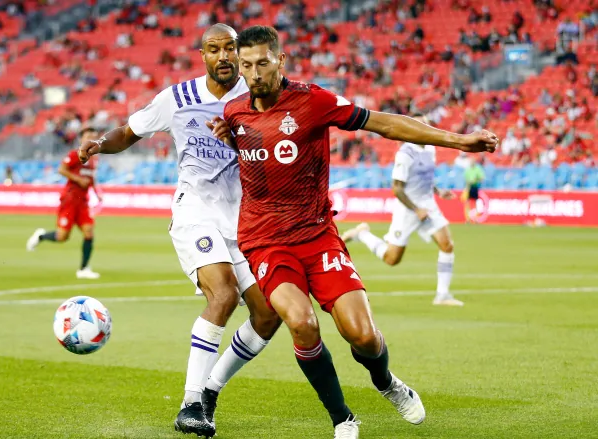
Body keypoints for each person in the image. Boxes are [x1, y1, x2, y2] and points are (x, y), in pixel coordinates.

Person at [214, 26, 497, 438]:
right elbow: (247, 150)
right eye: (246, 66)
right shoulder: (234, 112)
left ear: (281, 60)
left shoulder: (314, 101)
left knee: (362, 336)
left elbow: (383, 124)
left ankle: (386, 382)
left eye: (262, 63)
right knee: (301, 323)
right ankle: (342, 418)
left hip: (317, 235)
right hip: (266, 241)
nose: (254, 73)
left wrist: (457, 141)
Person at [78, 24, 281, 438]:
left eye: (230, 49)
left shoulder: (258, 98)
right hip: (196, 212)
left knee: (268, 315)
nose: (223, 56)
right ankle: (189, 404)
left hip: (245, 221)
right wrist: (100, 143)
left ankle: (210, 390)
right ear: (202, 55)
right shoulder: (177, 99)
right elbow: (129, 132)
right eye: (213, 49)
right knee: (222, 294)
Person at [341, 116, 464, 307]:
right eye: (418, 123)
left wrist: (438, 190)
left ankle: (442, 295)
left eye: (425, 123)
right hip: (408, 209)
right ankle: (363, 234)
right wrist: (416, 209)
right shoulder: (405, 154)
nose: (423, 126)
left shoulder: (430, 147)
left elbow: (425, 177)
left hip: (428, 205)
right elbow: (397, 188)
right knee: (392, 258)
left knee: (447, 245)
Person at [27, 127, 103, 279]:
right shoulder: (75, 154)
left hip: (83, 202)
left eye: (94, 137)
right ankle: (41, 236)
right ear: (81, 139)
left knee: (89, 232)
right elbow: (62, 170)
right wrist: (78, 179)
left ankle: (83, 269)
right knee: (62, 237)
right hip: (69, 200)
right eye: (88, 136)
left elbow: (91, 179)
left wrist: (96, 192)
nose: (91, 139)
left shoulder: (92, 160)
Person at [462, 157, 485, 223]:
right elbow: (465, 179)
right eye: (471, 161)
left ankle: (475, 219)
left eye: (473, 161)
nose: (471, 163)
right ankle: (468, 219)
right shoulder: (467, 170)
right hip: (468, 187)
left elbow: (482, 178)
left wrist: (476, 180)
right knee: (467, 203)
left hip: (475, 187)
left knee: (475, 203)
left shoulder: (477, 169)